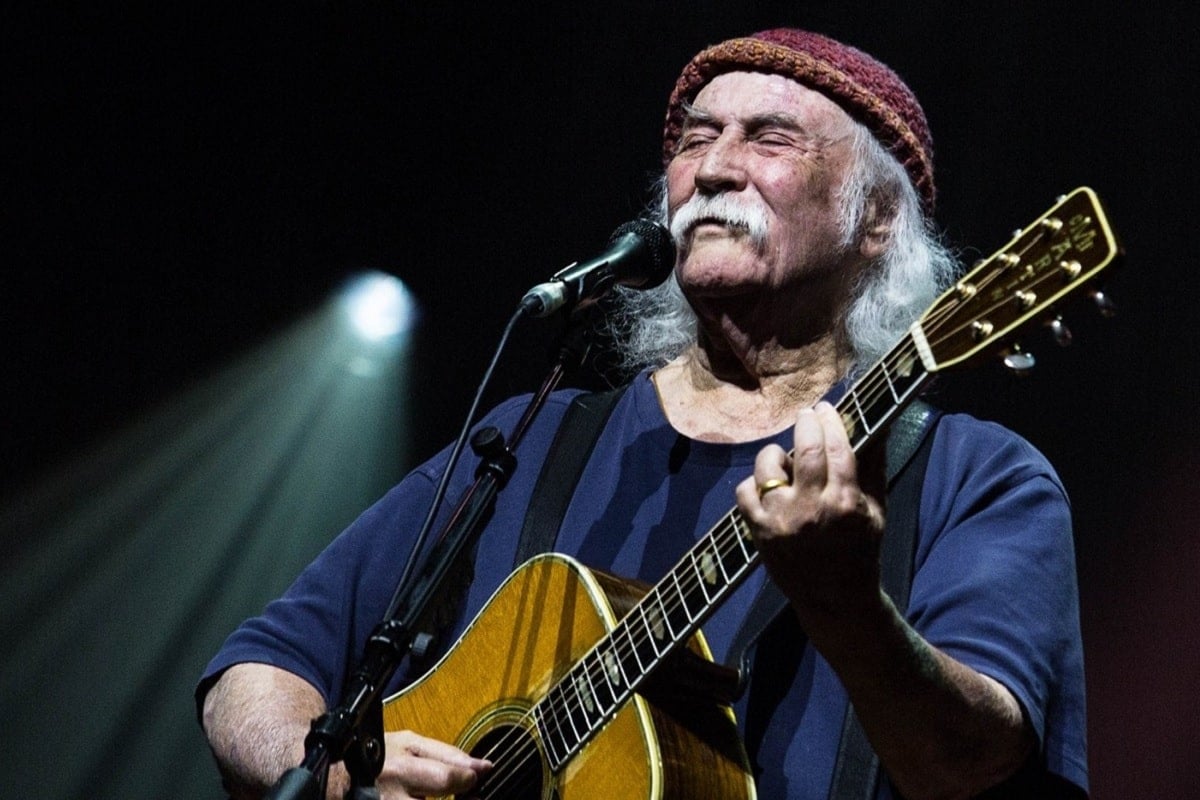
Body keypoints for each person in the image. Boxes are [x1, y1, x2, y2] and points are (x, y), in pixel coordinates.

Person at [197, 28, 1087, 799]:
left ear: (878, 220)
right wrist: (344, 773)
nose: (714, 168)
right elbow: (255, 670)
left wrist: (847, 606)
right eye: (697, 138)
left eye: (770, 138)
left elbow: (975, 768)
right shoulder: (535, 440)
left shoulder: (975, 477)